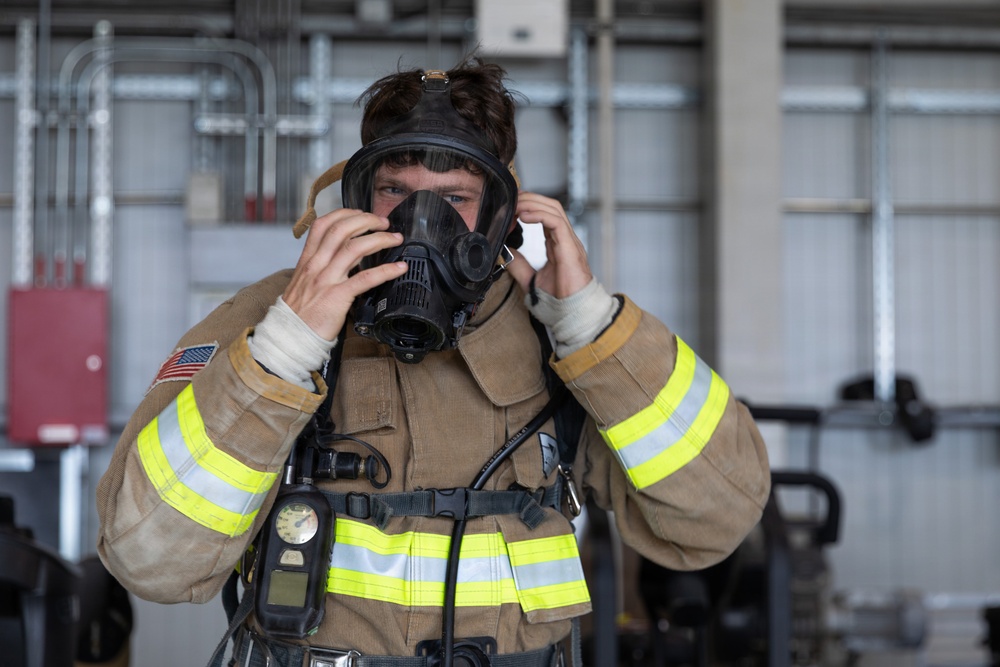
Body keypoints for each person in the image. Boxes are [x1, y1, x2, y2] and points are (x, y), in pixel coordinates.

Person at [96, 58, 770, 667]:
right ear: (357, 198)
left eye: (453, 200)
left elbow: (715, 519)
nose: (423, 223)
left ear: (503, 217)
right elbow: (147, 559)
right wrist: (284, 350)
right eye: (396, 190)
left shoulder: (561, 341)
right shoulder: (274, 319)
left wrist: (592, 325)